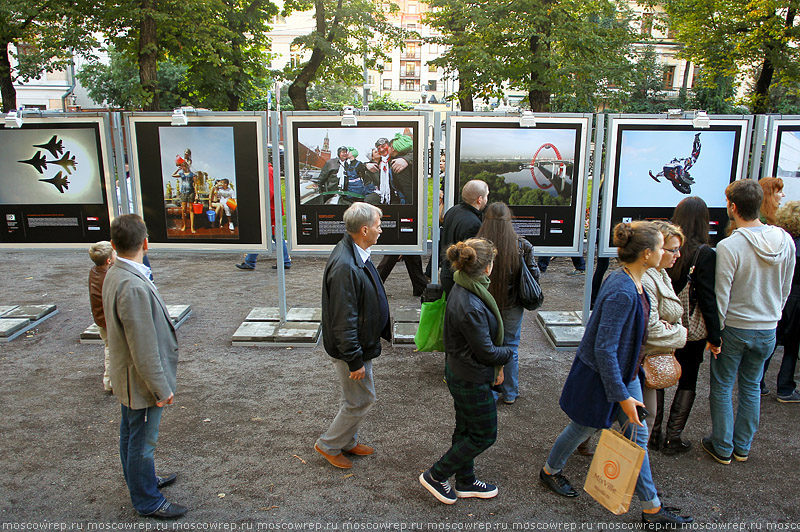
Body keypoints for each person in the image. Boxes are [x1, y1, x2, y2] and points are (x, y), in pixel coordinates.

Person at [539, 221, 693, 527]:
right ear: (647, 254)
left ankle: (652, 507)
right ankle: (549, 471)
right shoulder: (623, 290)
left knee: (637, 437)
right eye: (663, 247)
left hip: (625, 374)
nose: (667, 252)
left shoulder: (631, 279)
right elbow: (605, 349)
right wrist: (622, 396)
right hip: (606, 378)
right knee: (582, 428)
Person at [704, 180, 796, 465]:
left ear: (733, 206)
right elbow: (786, 287)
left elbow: (722, 294)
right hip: (767, 326)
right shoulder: (784, 240)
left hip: (734, 326)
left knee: (721, 385)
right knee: (751, 385)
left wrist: (715, 334)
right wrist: (774, 315)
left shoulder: (729, 246)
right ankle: (742, 446)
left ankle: (722, 446)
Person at [103, 214, 185, 519]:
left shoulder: (116, 273)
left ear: (113, 244)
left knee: (131, 432)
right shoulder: (132, 285)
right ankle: (147, 500)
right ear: (146, 243)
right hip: (141, 382)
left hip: (128, 376)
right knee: (142, 441)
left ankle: (142, 481)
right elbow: (144, 346)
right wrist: (160, 388)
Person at [419, 238, 513, 504]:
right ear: (486, 268)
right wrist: (510, 354)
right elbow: (486, 352)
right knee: (484, 434)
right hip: (470, 376)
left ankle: (466, 481)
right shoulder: (470, 302)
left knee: (466, 429)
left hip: (462, 372)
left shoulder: (464, 286)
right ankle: (436, 475)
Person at [315, 202, 391, 469]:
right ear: (364, 229)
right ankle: (329, 444)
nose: (381, 230)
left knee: (354, 398)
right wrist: (354, 360)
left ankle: (347, 441)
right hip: (352, 349)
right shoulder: (346, 265)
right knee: (361, 399)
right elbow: (343, 319)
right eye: (379, 226)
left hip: (358, 345)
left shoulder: (354, 251)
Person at [663, 196, 721, 454]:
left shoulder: (667, 245)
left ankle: (652, 432)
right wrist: (715, 335)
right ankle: (672, 437)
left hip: (664, 323)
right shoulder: (705, 253)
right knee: (688, 379)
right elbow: (708, 298)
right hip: (691, 328)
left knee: (659, 374)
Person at [476, 202, 539, 404]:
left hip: (484, 304)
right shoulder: (522, 245)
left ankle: (492, 392)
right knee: (511, 346)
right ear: (509, 220)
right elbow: (534, 276)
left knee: (489, 346)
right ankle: (511, 392)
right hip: (513, 305)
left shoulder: (477, 245)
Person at [640, 221, 687, 450]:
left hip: (652, 357)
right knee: (644, 418)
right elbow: (652, 329)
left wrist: (672, 326)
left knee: (643, 417)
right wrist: (681, 333)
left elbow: (672, 317)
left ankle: (636, 468)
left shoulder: (662, 274)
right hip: (643, 358)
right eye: (672, 249)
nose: (678, 255)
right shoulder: (648, 278)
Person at [762, 201, 800, 403]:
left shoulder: (782, 243)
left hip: (779, 295)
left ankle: (758, 382)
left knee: (772, 340)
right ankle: (785, 388)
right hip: (797, 299)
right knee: (792, 348)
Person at [236, 163, 291, 270]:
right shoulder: (270, 170)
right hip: (272, 209)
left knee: (270, 236)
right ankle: (251, 261)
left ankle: (284, 261)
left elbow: (270, 192)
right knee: (269, 236)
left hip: (270, 210)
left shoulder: (268, 171)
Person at [440, 180, 489, 293]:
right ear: (479, 199)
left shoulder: (452, 211)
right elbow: (470, 258)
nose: (487, 200)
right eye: (486, 196)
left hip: (447, 273)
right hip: (460, 280)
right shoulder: (473, 223)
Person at [88, 240, 116, 393]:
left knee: (110, 348)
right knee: (111, 350)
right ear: (109, 260)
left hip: (101, 319)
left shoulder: (94, 271)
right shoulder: (109, 276)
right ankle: (110, 381)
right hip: (108, 321)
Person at [172, 158, 196, 234]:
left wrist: (197, 194)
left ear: (187, 166)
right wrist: (178, 170)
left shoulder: (192, 174)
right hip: (183, 192)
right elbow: (172, 175)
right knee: (183, 209)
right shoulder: (181, 174)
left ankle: (192, 227)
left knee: (191, 209)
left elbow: (195, 184)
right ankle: (184, 225)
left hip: (191, 192)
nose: (183, 167)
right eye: (182, 166)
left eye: (184, 166)